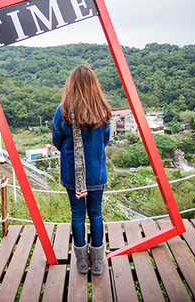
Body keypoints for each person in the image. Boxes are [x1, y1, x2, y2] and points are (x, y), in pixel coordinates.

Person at [52, 65, 112, 275]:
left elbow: (56, 140)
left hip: (72, 172)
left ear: (72, 85)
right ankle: (97, 262)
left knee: (77, 214)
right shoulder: (102, 110)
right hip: (96, 172)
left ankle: (81, 262)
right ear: (94, 85)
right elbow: (105, 140)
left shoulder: (64, 110)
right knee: (95, 213)